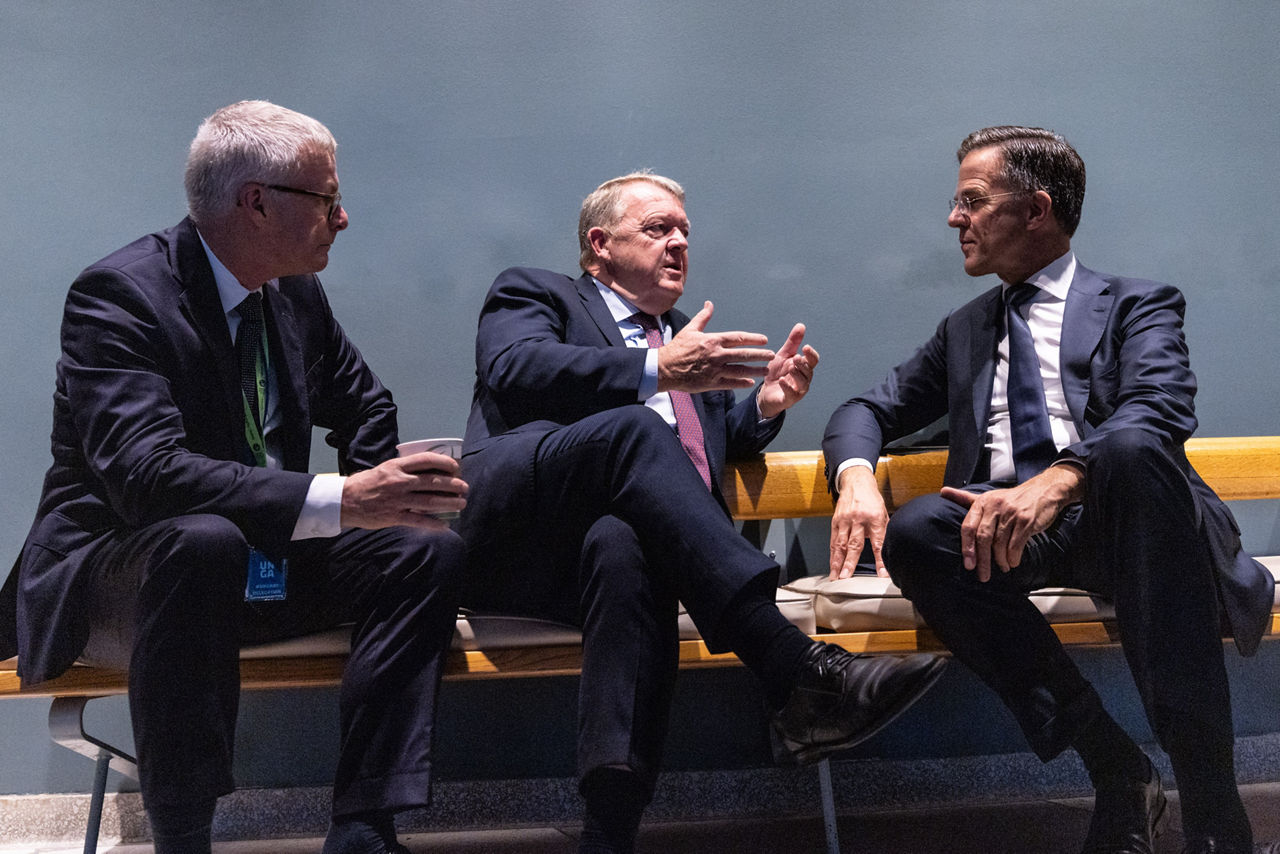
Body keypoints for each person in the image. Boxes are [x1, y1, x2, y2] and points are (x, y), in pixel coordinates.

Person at [0, 101, 469, 854]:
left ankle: (365, 826)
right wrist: (344, 498)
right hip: (125, 575)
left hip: (257, 563)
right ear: (256, 202)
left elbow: (365, 404)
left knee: (422, 549)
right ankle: (183, 838)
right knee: (202, 542)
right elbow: (147, 475)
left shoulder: (292, 291)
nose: (342, 218)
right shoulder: (120, 295)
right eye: (327, 198)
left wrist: (383, 498)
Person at [458, 171, 946, 854]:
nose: (679, 242)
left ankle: (608, 834)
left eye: (685, 231)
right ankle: (793, 665)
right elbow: (516, 367)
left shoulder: (691, 346)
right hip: (520, 535)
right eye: (658, 228)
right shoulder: (538, 293)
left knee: (624, 543)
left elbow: (694, 455)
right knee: (635, 430)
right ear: (599, 244)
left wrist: (763, 408)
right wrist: (656, 369)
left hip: (610, 558)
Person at [824, 126, 1275, 854]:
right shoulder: (965, 330)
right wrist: (855, 480)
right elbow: (865, 409)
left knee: (1131, 450)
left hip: (1130, 518)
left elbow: (1159, 407)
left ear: (1036, 209)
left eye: (972, 200)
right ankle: (1116, 768)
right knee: (916, 531)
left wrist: (1059, 481)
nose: (954, 218)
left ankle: (1214, 815)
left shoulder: (1137, 304)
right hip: (1008, 531)